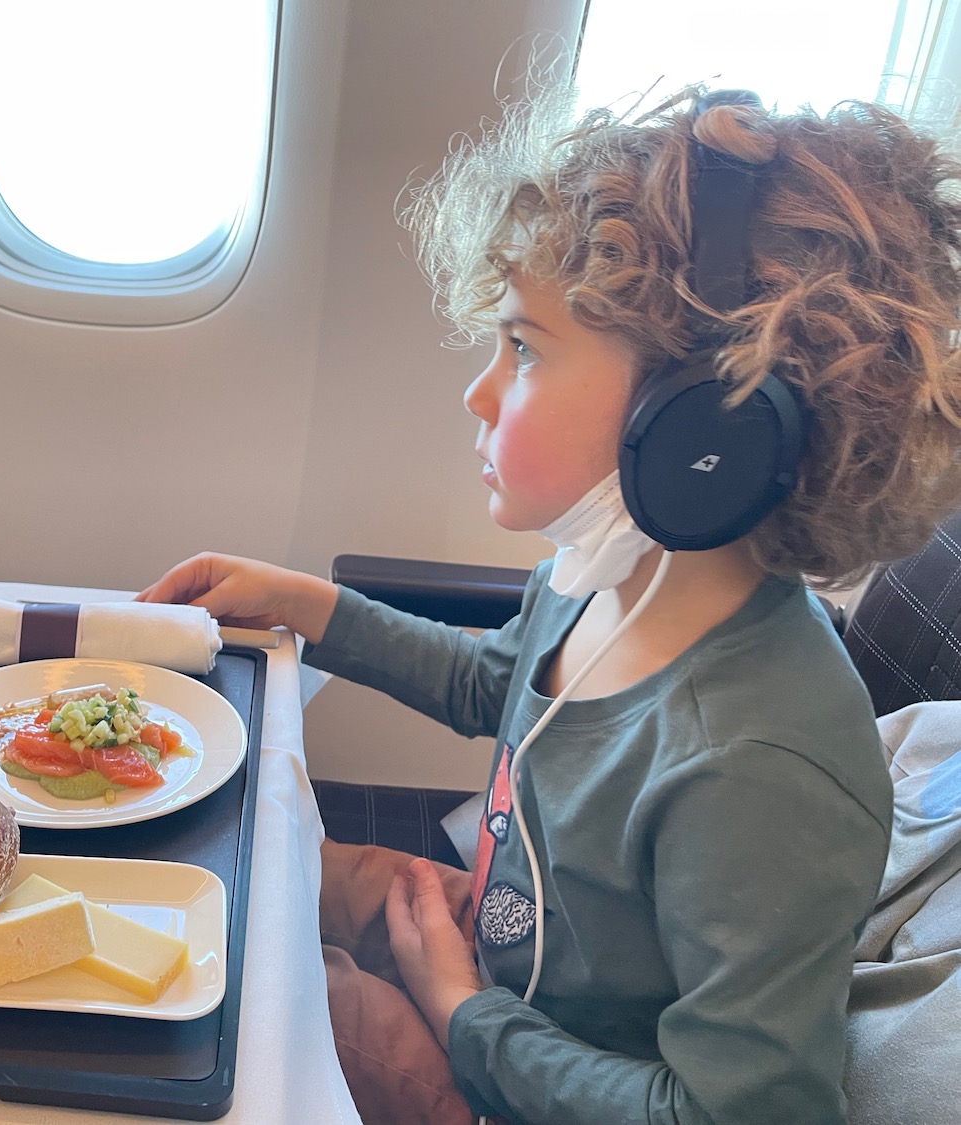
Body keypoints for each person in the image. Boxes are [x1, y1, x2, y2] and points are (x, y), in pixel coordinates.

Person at [137, 87, 961, 1124]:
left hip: (525, 1084)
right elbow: (498, 683)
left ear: (706, 422)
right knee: (245, 857)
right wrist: (309, 604)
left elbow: (735, 1112)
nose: (479, 394)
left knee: (242, 1000)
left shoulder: (753, 767)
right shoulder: (606, 578)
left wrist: (458, 1010)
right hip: (502, 954)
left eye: (523, 350)